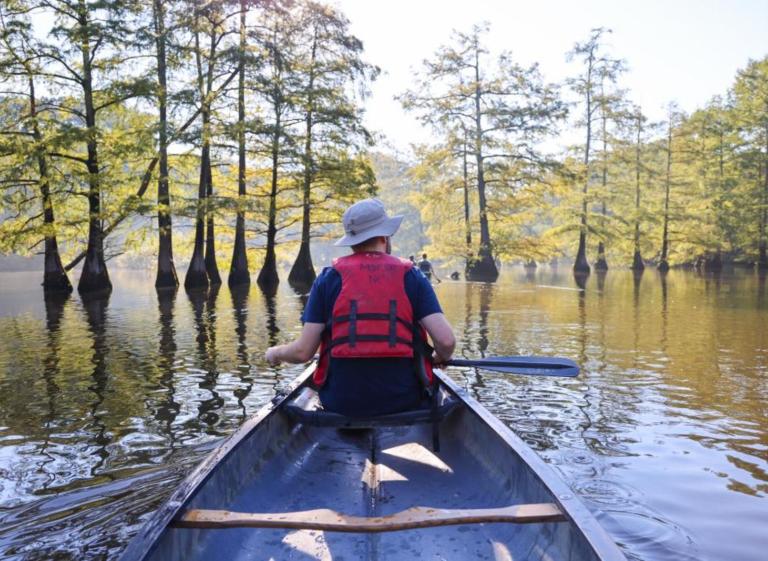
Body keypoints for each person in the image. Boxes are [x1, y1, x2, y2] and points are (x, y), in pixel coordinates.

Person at [265, 198, 455, 417]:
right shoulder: (412, 276)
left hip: (341, 402)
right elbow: (446, 341)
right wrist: (440, 357)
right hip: (404, 401)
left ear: (352, 241)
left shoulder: (328, 279)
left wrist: (276, 352)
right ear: (385, 236)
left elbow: (302, 352)